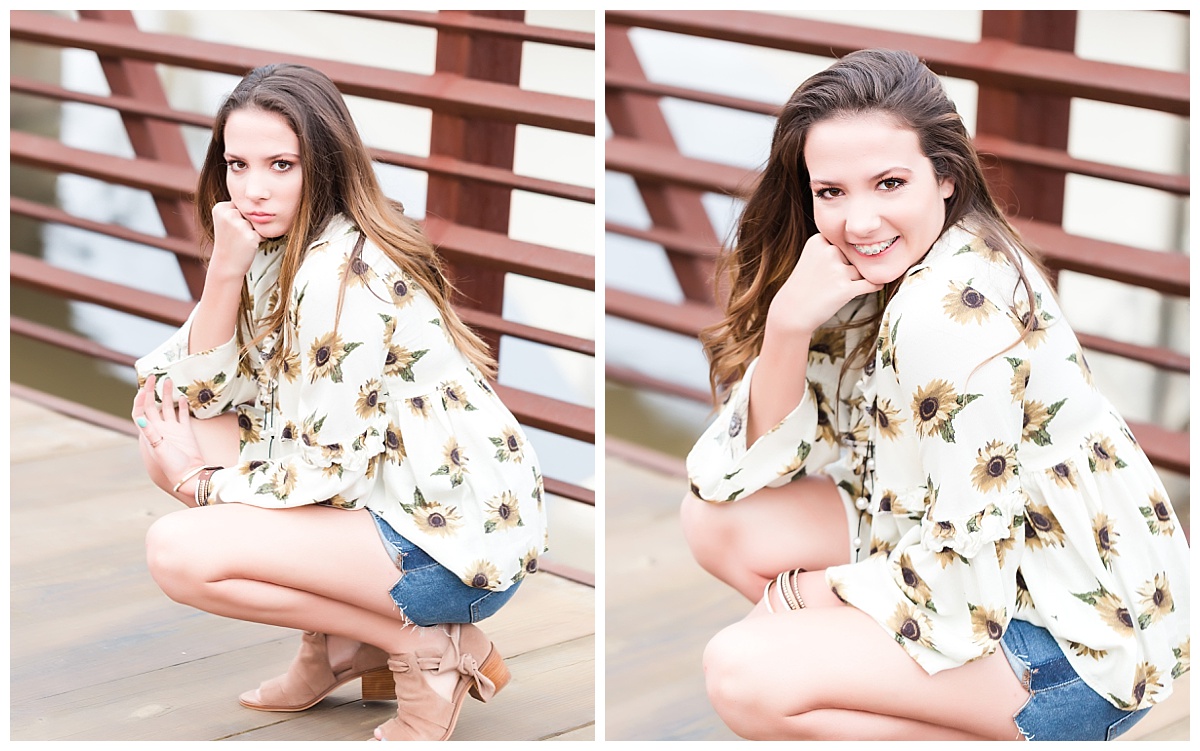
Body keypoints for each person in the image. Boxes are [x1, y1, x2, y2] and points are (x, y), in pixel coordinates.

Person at [681, 49, 1189, 741]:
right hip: (989, 558)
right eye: (831, 192)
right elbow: (734, 475)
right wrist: (788, 324)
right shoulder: (873, 267)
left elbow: (963, 585)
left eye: (889, 182)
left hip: (1077, 645)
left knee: (743, 672)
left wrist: (800, 595)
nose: (859, 221)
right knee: (716, 522)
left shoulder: (947, 313)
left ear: (944, 175)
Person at [130, 62, 547, 742]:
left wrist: (200, 484)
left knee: (178, 549)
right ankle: (335, 651)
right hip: (393, 498)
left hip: (452, 548)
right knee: (178, 423)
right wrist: (225, 269)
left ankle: (428, 648)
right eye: (237, 164)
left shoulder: (338, 273)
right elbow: (189, 393)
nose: (253, 189)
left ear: (323, 163)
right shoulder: (275, 243)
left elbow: (326, 468)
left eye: (280, 164)